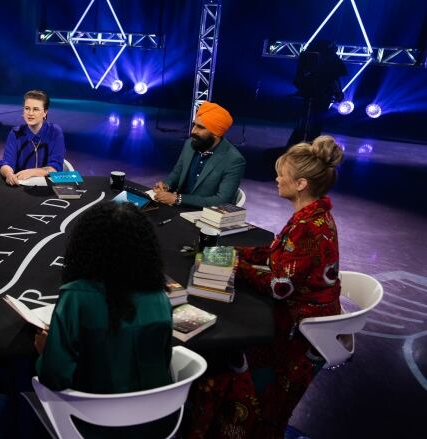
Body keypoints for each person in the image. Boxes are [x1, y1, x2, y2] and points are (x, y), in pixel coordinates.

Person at [187, 136, 344, 439]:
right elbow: (277, 254)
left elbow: (278, 287)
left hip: (300, 331)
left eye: (282, 174)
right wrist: (235, 253)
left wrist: (235, 266)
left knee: (225, 360)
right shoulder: (309, 216)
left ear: (300, 184)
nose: (276, 178)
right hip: (299, 317)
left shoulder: (309, 227)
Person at [35, 201, 173, 437]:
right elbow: (164, 358)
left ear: (87, 246)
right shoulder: (161, 298)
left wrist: (45, 350)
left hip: (89, 425)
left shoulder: (76, 297)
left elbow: (54, 377)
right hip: (157, 425)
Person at [152, 101, 245, 208]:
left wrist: (178, 199)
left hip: (203, 214)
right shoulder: (190, 144)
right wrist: (166, 186)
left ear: (216, 133)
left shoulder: (234, 160)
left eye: (200, 127)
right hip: (177, 206)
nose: (193, 131)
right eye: (194, 125)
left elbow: (222, 200)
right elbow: (177, 173)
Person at [285, 40, 347, 148]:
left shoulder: (308, 56)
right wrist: (338, 93)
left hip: (313, 94)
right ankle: (305, 147)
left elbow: (300, 79)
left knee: (306, 122)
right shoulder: (328, 58)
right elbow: (333, 79)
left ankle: (297, 147)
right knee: (313, 123)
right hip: (319, 96)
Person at [0, 90, 66, 186]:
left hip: (47, 187)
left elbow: (56, 167)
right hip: (20, 185)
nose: (30, 113)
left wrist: (32, 172)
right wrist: (9, 174)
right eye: (27, 108)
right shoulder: (15, 133)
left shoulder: (55, 132)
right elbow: (6, 163)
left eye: (35, 109)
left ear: (45, 112)